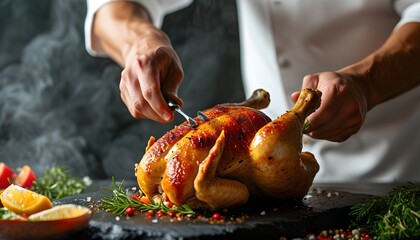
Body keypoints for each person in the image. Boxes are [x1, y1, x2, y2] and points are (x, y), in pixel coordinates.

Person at [85, 0, 420, 185]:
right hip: (267, 180)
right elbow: (113, 9)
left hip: (398, 173)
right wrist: (140, 43)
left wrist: (366, 84)